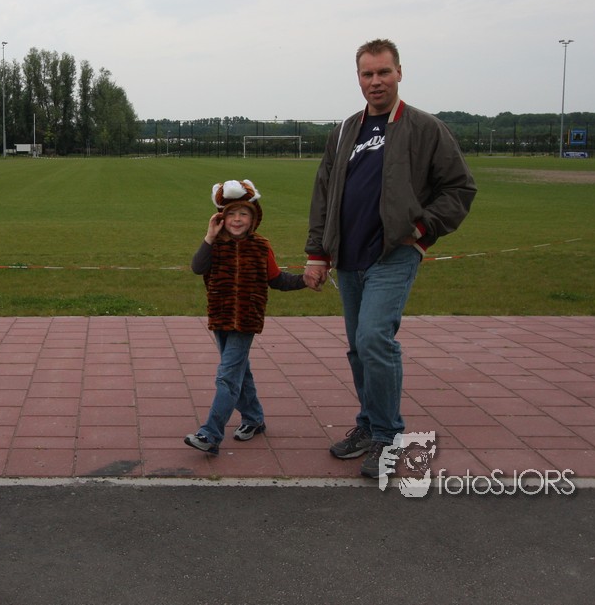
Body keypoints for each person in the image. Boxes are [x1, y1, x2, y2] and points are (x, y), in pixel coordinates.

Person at [304, 39, 476, 478]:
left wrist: (420, 230)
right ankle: (368, 424)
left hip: (393, 254)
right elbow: (324, 192)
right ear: (358, 78)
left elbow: (459, 188)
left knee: (375, 339)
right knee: (359, 348)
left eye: (383, 72)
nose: (376, 81)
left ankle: (388, 436)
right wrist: (317, 253)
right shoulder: (345, 130)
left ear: (399, 72)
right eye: (368, 74)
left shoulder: (425, 128)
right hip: (348, 256)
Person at [184, 179, 310, 456]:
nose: (237, 219)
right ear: (221, 218)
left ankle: (210, 434)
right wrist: (209, 236)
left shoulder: (261, 247)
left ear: (254, 219)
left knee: (227, 377)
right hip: (220, 317)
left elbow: (277, 279)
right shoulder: (215, 245)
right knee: (240, 371)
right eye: (231, 214)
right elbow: (197, 268)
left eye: (244, 214)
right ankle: (253, 418)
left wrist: (305, 280)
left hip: (246, 320)